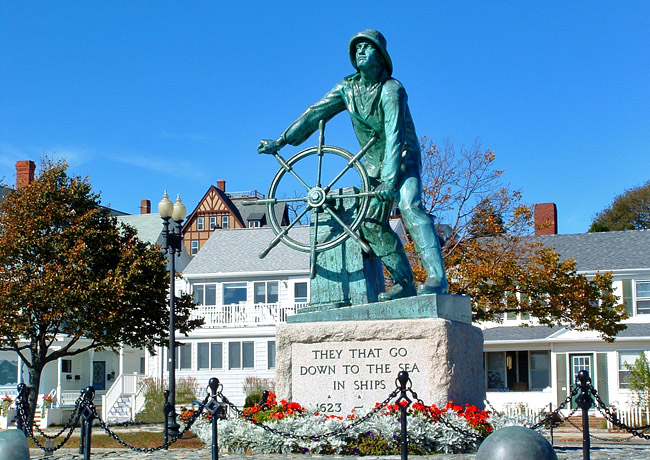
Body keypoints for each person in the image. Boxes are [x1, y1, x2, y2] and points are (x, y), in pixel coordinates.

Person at [258, 29, 448, 300]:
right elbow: (315, 112)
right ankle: (404, 283)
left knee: (409, 207)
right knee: (369, 223)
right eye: (356, 47)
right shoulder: (347, 88)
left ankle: (437, 280)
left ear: (380, 57)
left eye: (367, 47)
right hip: (372, 164)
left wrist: (390, 181)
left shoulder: (392, 89)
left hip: (403, 159)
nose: (360, 51)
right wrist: (281, 141)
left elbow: (394, 135)